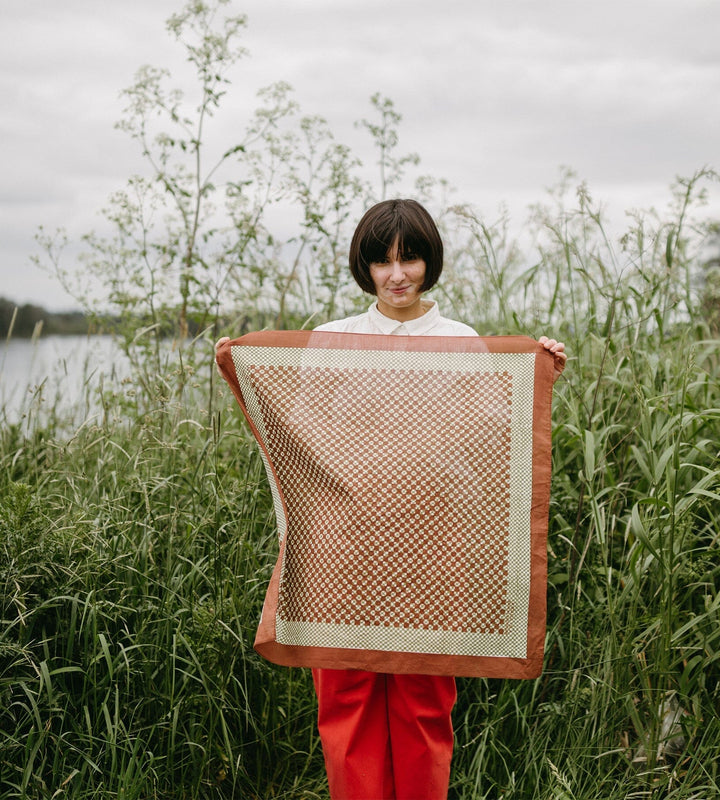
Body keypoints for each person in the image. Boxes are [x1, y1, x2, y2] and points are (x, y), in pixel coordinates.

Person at [217, 198, 566, 799]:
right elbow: (299, 435)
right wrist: (242, 361)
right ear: (365, 267)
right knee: (345, 704)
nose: (397, 274)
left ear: (430, 261)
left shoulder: (461, 343)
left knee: (423, 706)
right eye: (382, 261)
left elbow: (490, 439)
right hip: (343, 547)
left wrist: (539, 370)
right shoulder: (332, 340)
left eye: (410, 258)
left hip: (431, 548)